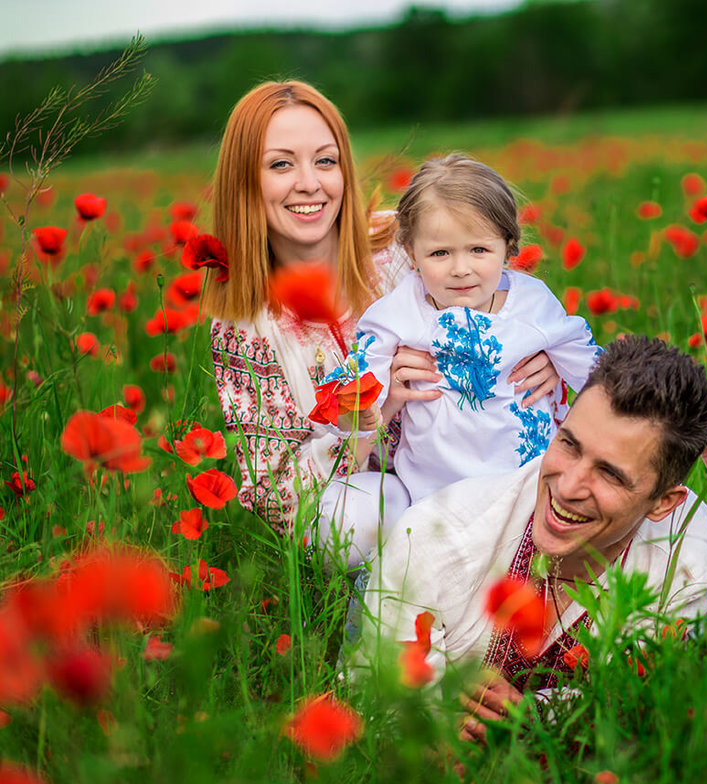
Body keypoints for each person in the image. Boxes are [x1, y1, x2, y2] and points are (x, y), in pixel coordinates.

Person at [205, 82, 559, 547]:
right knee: (364, 514)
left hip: (482, 456)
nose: (309, 183)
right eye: (281, 164)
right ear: (245, 181)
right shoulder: (243, 325)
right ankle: (383, 599)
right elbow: (273, 491)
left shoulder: (404, 242)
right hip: (379, 501)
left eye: (326, 160)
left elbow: (500, 289)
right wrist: (373, 409)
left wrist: (543, 353)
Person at [353, 335, 707, 743]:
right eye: (568, 444)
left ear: (663, 502)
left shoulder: (688, 559)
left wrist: (536, 715)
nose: (568, 487)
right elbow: (378, 694)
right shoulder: (430, 537)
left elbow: (641, 707)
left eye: (610, 474)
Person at [317, 154, 602, 567]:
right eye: (440, 254)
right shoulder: (400, 312)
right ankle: (380, 595)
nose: (461, 269)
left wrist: (679, 425)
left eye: (479, 249)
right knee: (433, 571)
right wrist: (356, 412)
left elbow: (599, 374)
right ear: (410, 253)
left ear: (509, 246)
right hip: (433, 494)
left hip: (525, 488)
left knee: (525, 568)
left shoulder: (533, 306)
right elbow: (361, 377)